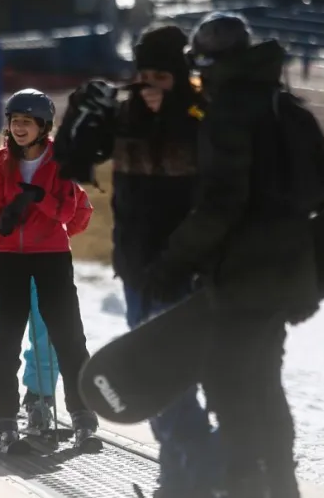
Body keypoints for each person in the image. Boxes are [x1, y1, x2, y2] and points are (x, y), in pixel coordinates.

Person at [138, 12, 324, 498]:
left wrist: (172, 262)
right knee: (264, 382)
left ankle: (244, 484)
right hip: (288, 270)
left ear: (208, 62)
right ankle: (281, 486)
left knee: (228, 382)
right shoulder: (283, 105)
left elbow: (221, 204)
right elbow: (323, 179)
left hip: (244, 275)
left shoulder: (228, 113)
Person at [111, 25, 217, 497]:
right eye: (143, 75)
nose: (150, 86)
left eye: (161, 76)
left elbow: (210, 192)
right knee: (150, 376)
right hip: (136, 267)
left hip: (182, 269)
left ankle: (202, 464)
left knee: (168, 371)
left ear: (179, 75)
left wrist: (174, 112)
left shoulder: (198, 113)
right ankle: (179, 475)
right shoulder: (127, 116)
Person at [0, 88, 98, 451]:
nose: (19, 128)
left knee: (68, 337)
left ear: (44, 126)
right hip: (9, 256)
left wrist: (38, 199)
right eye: (14, 122)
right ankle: (2, 416)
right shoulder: (0, 162)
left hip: (51, 256)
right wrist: (2, 222)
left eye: (27, 122)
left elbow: (67, 211)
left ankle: (82, 411)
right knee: (5, 339)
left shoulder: (61, 160)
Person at [0, 159, 93, 432]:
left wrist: (48, 234)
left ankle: (38, 398)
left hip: (45, 263)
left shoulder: (55, 173)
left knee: (45, 336)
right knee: (2, 335)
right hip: (6, 264)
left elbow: (79, 213)